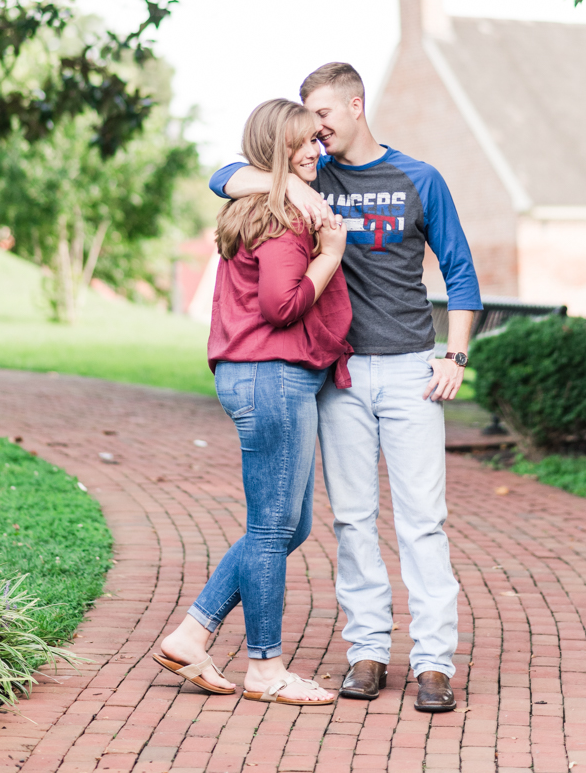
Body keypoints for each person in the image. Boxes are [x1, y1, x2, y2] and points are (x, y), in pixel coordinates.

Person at [210, 62, 482, 713]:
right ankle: (367, 651)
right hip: (342, 373)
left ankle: (435, 661)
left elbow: (461, 270)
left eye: (325, 115)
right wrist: (300, 192)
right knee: (353, 518)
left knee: (423, 520)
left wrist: (457, 354)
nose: (317, 129)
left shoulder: (418, 177)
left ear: (357, 105)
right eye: (308, 120)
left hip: (413, 368)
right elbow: (226, 176)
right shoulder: (315, 175)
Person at [155, 98, 353, 706]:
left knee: (287, 526)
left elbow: (226, 177)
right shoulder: (285, 218)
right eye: (303, 144)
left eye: (317, 141)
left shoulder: (258, 206)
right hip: (272, 375)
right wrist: (329, 257)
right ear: (278, 151)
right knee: (273, 528)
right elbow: (283, 305)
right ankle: (266, 668)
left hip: (256, 374)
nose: (316, 151)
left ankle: (193, 634)